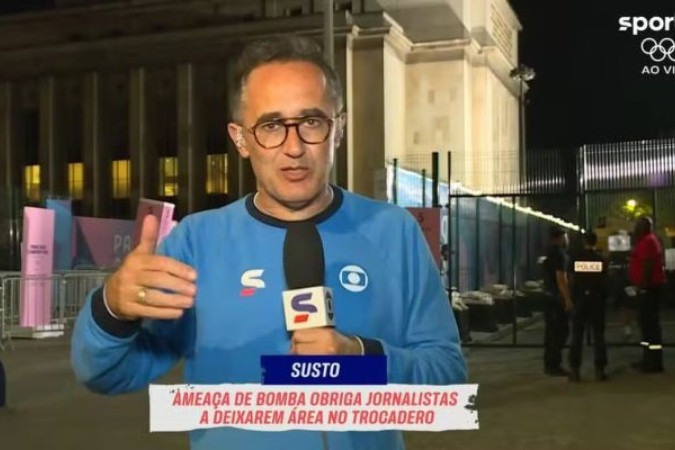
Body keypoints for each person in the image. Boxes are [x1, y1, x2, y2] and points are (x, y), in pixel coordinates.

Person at [70, 35, 467, 450]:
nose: (294, 147)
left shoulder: (393, 231)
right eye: (271, 126)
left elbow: (447, 382)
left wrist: (361, 359)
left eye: (312, 122)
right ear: (241, 139)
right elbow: (104, 375)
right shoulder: (196, 243)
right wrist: (111, 308)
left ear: (340, 129)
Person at [568, 231, 608, 382]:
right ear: (595, 242)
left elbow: (571, 280)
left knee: (577, 336)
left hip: (579, 300)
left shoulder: (575, 259)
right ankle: (599, 370)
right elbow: (604, 281)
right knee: (599, 336)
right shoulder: (600, 260)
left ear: (584, 241)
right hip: (596, 301)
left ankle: (575, 370)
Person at [628, 216, 665, 373]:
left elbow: (648, 266)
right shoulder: (646, 241)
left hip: (649, 289)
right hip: (647, 288)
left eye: (638, 225)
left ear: (644, 227)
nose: (635, 228)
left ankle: (654, 362)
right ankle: (647, 358)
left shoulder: (648, 242)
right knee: (646, 326)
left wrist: (641, 286)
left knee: (650, 326)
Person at [542, 226, 573, 377]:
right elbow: (561, 278)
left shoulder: (549, 253)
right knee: (560, 332)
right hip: (557, 298)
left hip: (548, 296)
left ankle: (549, 364)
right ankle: (554, 365)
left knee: (551, 332)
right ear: (560, 237)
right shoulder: (560, 255)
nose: (568, 239)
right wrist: (567, 299)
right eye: (566, 236)